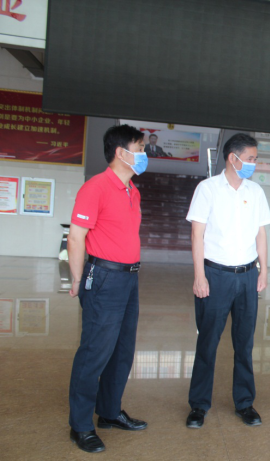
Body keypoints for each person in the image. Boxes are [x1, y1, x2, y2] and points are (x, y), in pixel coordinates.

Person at [67, 125, 149, 453]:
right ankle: (80, 425)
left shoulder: (132, 190)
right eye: (139, 149)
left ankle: (110, 412)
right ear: (120, 153)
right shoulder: (95, 187)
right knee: (95, 352)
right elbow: (76, 237)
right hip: (102, 278)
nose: (144, 155)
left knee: (122, 351)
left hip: (129, 279)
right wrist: (77, 280)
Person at [185, 133, 270, 429]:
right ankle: (198, 405)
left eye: (255, 159)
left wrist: (264, 270)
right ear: (232, 158)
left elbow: (261, 233)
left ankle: (245, 403)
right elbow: (197, 234)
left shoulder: (255, 191)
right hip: (215, 276)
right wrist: (199, 275)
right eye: (250, 159)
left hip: (247, 276)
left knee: (244, 344)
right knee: (207, 342)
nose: (253, 164)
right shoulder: (207, 189)